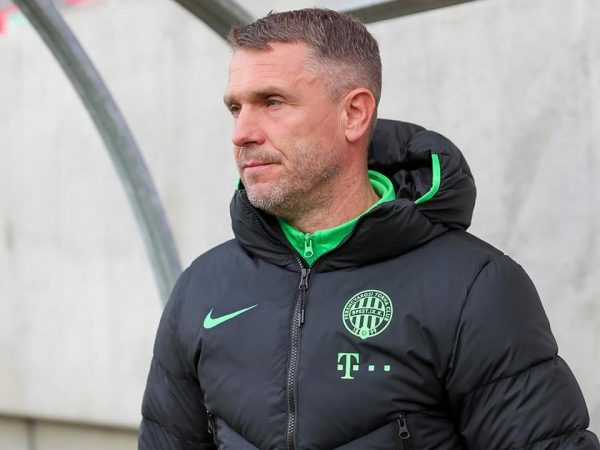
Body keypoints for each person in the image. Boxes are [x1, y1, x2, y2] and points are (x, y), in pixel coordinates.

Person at [138, 8, 599, 450]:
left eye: (272, 102)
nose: (242, 132)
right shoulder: (202, 287)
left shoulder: (474, 287)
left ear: (354, 114)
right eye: (236, 108)